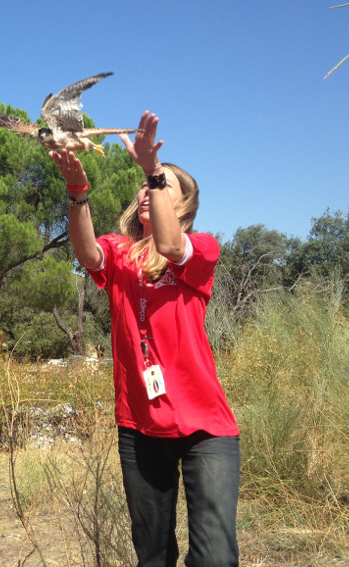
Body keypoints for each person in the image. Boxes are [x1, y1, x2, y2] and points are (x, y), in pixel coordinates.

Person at [49, 111, 240, 567]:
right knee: (152, 556)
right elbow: (86, 251)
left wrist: (152, 168)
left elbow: (173, 247)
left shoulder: (202, 250)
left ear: (184, 206)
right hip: (139, 426)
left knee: (215, 558)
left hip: (205, 428)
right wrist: (78, 194)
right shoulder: (118, 250)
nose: (150, 188)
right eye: (148, 185)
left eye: (164, 185)